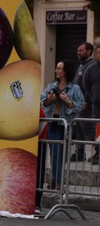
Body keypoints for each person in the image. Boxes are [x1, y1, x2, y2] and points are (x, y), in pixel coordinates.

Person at [41, 59, 84, 188]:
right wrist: (50, 99)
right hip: (53, 122)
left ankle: (55, 179)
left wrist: (67, 100)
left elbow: (80, 105)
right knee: (55, 152)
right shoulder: (51, 86)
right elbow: (43, 102)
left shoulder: (74, 88)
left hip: (67, 125)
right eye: (56, 68)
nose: (56, 71)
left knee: (64, 154)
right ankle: (59, 181)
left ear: (65, 71)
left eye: (59, 68)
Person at [71, 41, 95, 161]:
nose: (78, 53)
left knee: (90, 130)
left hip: (88, 106)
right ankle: (79, 153)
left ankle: (97, 153)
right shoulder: (81, 65)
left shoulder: (92, 65)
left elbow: (91, 86)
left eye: (81, 50)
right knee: (78, 130)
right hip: (78, 105)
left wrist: (86, 100)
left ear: (89, 51)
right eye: (78, 51)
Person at [82, 42, 100, 165]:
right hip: (96, 105)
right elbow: (86, 85)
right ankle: (98, 153)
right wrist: (90, 98)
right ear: (95, 54)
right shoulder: (91, 69)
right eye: (99, 52)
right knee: (98, 131)